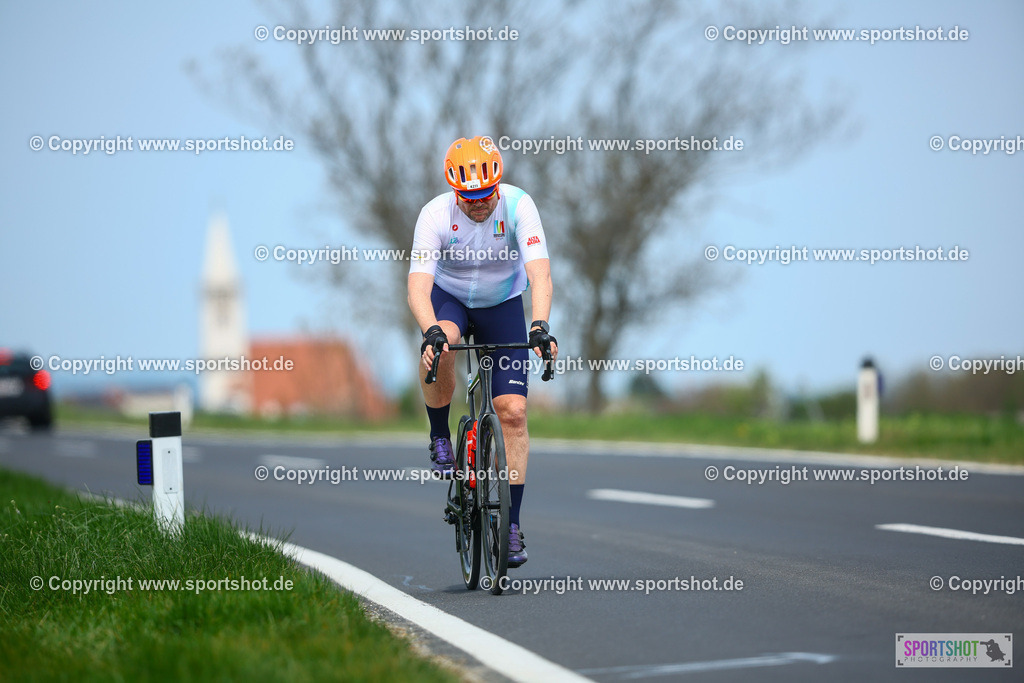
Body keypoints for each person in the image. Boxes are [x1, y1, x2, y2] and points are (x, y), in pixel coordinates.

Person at [408, 135, 557, 567]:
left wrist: (540, 325)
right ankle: (439, 432)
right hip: (450, 300)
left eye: (485, 195)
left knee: (512, 411)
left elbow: (540, 276)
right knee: (444, 345)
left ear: (498, 185)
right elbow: (418, 286)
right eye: (468, 197)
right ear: (456, 190)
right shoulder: (434, 214)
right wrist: (431, 331)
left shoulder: (519, 206)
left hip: (502, 305)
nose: (478, 203)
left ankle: (511, 527)